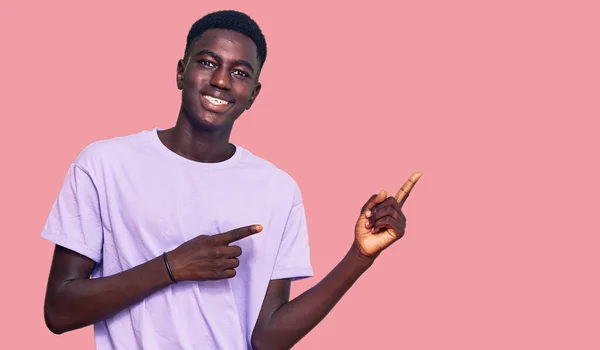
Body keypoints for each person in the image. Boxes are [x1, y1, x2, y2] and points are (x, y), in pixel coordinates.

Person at [41, 10, 421, 350]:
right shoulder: (105, 164)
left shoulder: (276, 189)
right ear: (180, 71)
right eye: (207, 62)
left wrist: (359, 257)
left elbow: (267, 338)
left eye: (240, 72)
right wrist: (171, 267)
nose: (221, 80)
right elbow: (59, 311)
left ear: (253, 94)